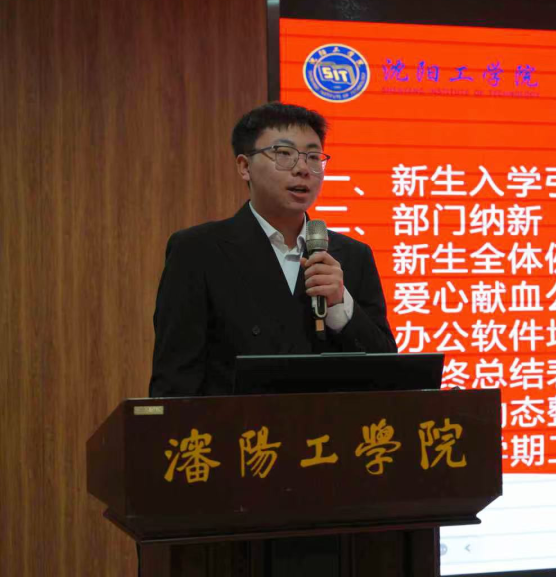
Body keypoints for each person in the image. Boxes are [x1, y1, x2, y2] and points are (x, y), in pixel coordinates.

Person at [149, 102, 396, 397]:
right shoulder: (198, 251)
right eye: (284, 154)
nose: (303, 169)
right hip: (240, 425)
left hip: (330, 425)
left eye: (313, 157)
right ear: (245, 167)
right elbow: (175, 382)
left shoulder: (353, 256)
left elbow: (389, 375)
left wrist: (339, 306)